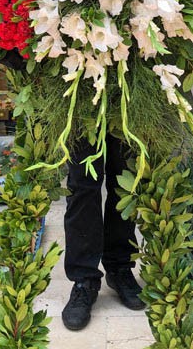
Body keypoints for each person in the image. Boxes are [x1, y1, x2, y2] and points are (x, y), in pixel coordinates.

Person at [62, 136, 145, 331]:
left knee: (124, 181)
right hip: (81, 112)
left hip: (128, 107)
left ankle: (119, 268)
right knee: (82, 185)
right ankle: (84, 279)